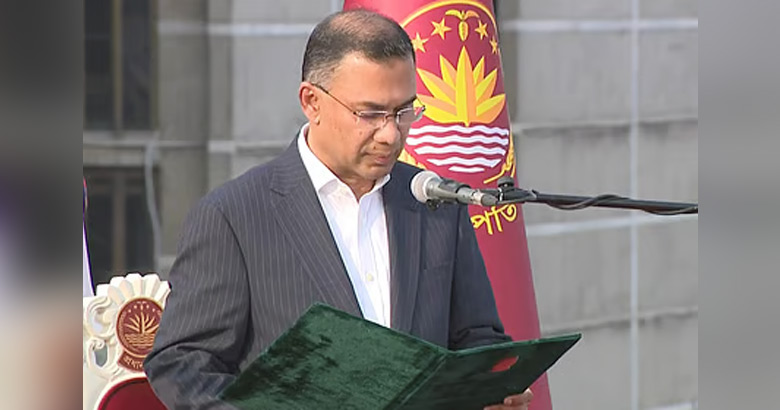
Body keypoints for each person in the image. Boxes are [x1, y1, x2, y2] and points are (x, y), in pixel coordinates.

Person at [144, 9, 532, 410]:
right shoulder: (233, 216)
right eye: (370, 114)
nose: (390, 134)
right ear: (311, 101)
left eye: (404, 112)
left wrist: (493, 387)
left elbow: (477, 338)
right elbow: (182, 363)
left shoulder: (437, 203)